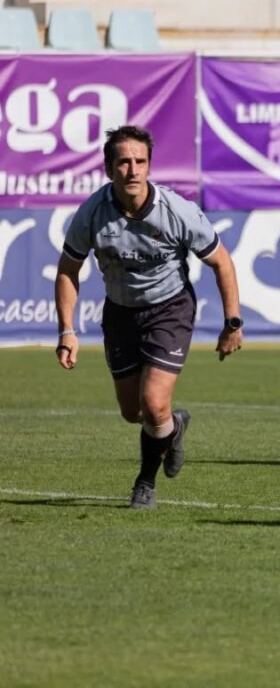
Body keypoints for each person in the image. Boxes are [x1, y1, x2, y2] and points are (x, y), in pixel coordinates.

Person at [54, 125, 244, 510]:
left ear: (149, 166)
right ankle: (173, 427)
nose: (133, 170)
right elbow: (67, 270)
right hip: (120, 313)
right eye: (123, 162)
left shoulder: (178, 212)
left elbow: (222, 262)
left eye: (140, 161)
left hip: (169, 309)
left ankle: (144, 482)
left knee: (153, 403)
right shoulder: (92, 213)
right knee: (133, 413)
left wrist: (232, 323)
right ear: (109, 169)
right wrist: (67, 331)